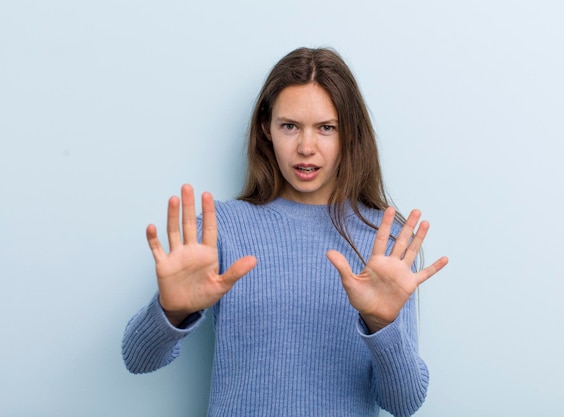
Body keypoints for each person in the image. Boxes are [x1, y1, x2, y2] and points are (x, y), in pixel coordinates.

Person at [122, 47, 448, 417]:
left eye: (326, 128)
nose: (306, 147)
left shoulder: (385, 241)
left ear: (349, 134)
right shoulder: (221, 231)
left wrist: (382, 324)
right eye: (290, 126)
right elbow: (137, 359)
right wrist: (171, 311)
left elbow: (403, 404)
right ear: (267, 129)